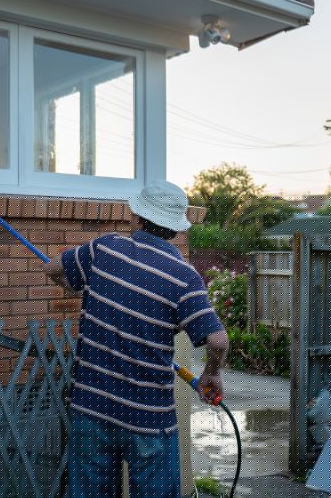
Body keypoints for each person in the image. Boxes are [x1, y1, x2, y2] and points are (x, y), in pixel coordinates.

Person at [44, 179, 229, 498]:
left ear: (138, 218)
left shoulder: (104, 249)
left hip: (92, 408)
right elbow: (217, 341)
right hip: (148, 418)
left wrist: (74, 285)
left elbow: (52, 269)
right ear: (175, 228)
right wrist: (211, 373)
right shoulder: (184, 276)